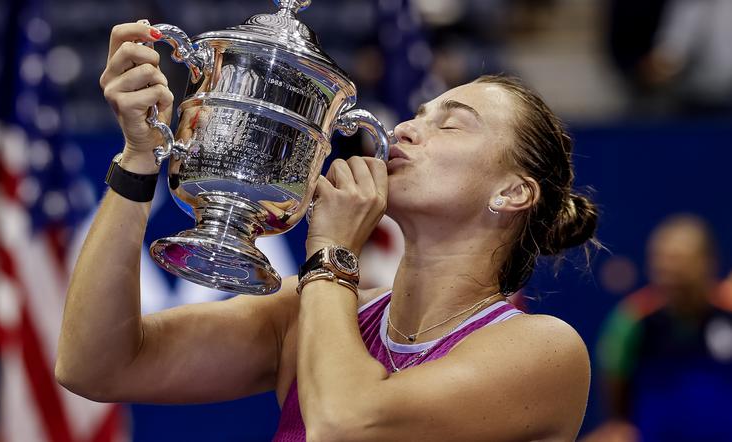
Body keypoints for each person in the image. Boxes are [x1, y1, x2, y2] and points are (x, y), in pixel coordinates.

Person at [56, 21, 599, 441]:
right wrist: (139, 158)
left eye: (451, 123)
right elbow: (95, 365)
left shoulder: (544, 350)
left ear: (512, 193)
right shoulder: (308, 312)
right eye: (419, 113)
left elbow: (344, 425)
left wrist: (332, 250)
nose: (407, 128)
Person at [587, 215, 732, 442]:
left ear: (708, 261)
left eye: (679, 260)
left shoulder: (727, 310)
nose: (669, 270)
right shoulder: (633, 319)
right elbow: (616, 395)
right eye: (661, 260)